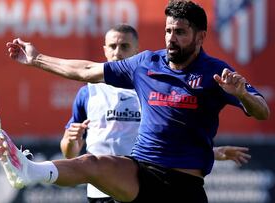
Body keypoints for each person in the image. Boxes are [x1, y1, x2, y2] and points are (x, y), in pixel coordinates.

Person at [0, 1, 270, 202]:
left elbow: (262, 111)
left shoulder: (216, 72)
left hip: (184, 185)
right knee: (92, 163)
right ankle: (28, 171)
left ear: (200, 37)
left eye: (180, 32)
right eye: (168, 31)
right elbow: (86, 71)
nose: (171, 39)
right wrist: (36, 59)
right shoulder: (146, 63)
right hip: (140, 172)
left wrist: (242, 95)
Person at [60, 24, 252, 203]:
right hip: (100, 191)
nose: (117, 52)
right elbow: (70, 153)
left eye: (124, 46)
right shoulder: (89, 92)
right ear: (104, 50)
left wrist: (214, 154)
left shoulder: (150, 88)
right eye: (112, 46)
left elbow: (168, 141)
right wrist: (70, 141)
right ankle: (35, 171)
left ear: (136, 51)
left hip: (141, 184)